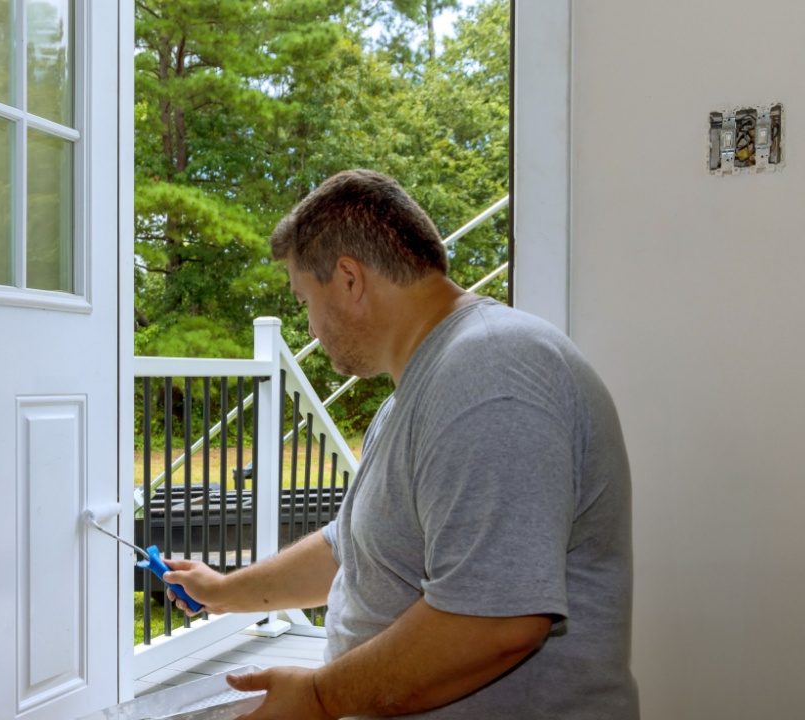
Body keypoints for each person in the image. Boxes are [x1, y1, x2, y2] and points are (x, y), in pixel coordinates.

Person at [161, 169, 638, 719]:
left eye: (304, 299)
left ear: (348, 278)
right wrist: (225, 591)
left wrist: (319, 698)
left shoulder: (491, 373)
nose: (311, 327)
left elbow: (497, 622)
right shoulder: (422, 389)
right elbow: (356, 550)